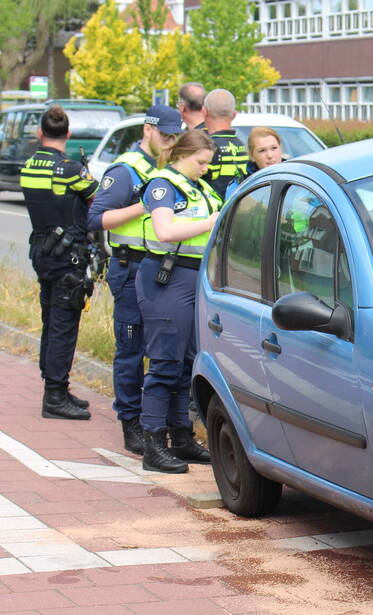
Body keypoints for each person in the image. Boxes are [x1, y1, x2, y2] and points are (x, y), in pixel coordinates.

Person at [87, 105, 183, 454]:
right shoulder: (127, 170)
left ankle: (162, 423)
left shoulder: (169, 170)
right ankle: (131, 424)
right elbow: (96, 219)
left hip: (163, 270)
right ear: (148, 130)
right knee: (131, 350)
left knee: (165, 349)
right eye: (165, 135)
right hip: (130, 269)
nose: (170, 142)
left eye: (175, 137)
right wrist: (145, 205)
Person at [137, 130, 221, 473]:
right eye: (201, 162)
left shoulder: (199, 187)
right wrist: (210, 222)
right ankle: (153, 444)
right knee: (165, 362)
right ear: (183, 154)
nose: (205, 168)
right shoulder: (163, 185)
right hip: (168, 278)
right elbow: (165, 231)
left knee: (186, 361)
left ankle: (181, 437)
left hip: (194, 278)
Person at [20, 105, 99, 420]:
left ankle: (56, 387)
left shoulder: (29, 165)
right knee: (64, 324)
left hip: (41, 250)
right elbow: (95, 200)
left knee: (50, 319)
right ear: (67, 134)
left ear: (41, 133)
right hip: (68, 256)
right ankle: (54, 396)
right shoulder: (69, 169)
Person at [202, 88, 248, 201]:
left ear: (204, 111)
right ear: (234, 115)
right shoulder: (242, 146)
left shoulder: (207, 146)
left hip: (214, 214)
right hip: (236, 210)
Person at [224, 126, 283, 199]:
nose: (270, 156)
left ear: (281, 149)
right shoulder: (240, 187)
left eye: (274, 148)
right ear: (252, 156)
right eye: (262, 150)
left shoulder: (296, 176)